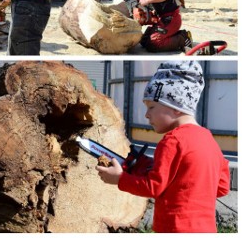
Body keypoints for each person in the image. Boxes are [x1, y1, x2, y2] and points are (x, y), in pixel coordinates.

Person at [96, 61, 230, 233]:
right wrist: (146, 166)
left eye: (151, 107)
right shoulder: (209, 139)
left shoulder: (172, 141)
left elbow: (153, 187)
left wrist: (119, 179)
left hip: (174, 228)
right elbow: (222, 186)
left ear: (176, 107)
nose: (147, 114)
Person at [126, 0, 192, 52]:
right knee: (144, 41)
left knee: (154, 44)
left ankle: (183, 38)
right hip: (161, 19)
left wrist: (146, 0)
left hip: (171, 19)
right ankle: (172, 34)